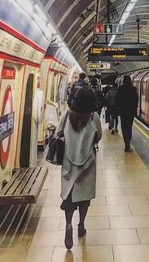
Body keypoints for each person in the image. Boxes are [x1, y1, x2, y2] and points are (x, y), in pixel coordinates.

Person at [56, 86, 102, 250]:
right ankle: (81, 225)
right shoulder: (93, 116)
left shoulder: (67, 114)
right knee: (84, 197)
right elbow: (99, 136)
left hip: (69, 161)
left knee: (69, 196)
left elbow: (58, 133)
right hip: (88, 162)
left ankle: (68, 224)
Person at [116, 75, 138, 152]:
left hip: (123, 111)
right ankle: (129, 139)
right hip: (131, 111)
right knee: (129, 126)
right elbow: (136, 100)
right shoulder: (133, 89)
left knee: (124, 126)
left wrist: (118, 110)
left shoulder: (120, 89)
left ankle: (126, 142)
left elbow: (117, 100)